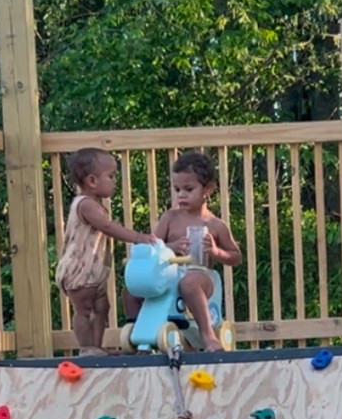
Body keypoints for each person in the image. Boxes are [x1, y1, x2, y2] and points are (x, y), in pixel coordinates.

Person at [133, 149, 242, 351]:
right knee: (134, 287)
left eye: (188, 189)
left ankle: (208, 335)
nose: (181, 195)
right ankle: (138, 332)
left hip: (200, 275)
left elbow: (236, 257)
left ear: (207, 189)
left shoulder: (215, 225)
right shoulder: (169, 218)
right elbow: (154, 247)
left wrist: (216, 252)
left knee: (189, 281)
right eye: (176, 189)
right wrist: (170, 247)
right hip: (169, 274)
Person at [55, 148, 151, 351]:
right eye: (111, 176)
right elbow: (107, 227)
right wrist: (138, 238)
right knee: (84, 310)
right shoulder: (86, 205)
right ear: (92, 181)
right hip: (80, 270)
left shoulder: (96, 204)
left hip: (93, 271)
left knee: (102, 307)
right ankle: (87, 349)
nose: (114, 180)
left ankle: (96, 348)